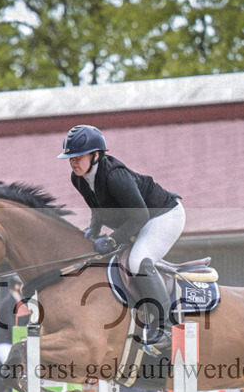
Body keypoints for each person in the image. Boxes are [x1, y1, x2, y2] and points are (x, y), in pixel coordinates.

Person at [57, 124, 184, 352]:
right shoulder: (78, 178)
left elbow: (140, 216)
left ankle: (167, 328)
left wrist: (113, 240)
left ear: (96, 155)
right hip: (139, 220)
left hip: (163, 215)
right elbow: (98, 207)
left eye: (78, 156)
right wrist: (92, 231)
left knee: (137, 262)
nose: (73, 162)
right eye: (70, 157)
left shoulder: (115, 176)